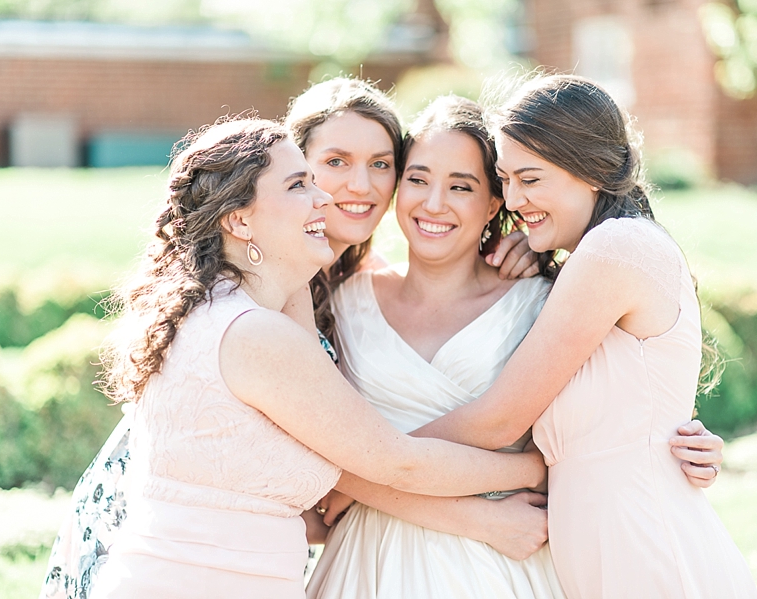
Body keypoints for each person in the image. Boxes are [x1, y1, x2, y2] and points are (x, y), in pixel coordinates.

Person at [39, 78, 539, 599]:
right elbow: (360, 454)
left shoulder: (350, 280)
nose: (357, 186)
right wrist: (498, 501)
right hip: (158, 528)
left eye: (381, 164)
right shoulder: (264, 297)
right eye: (333, 164)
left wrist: (519, 243)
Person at [306, 96, 727, 599]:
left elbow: (617, 400)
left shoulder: (548, 297)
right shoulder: (338, 298)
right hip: (366, 558)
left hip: (507, 559)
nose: (434, 203)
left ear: (492, 204)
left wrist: (669, 439)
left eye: (462, 186)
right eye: (417, 179)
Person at [414, 75, 757, 598]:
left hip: (647, 553)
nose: (512, 199)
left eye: (531, 179)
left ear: (591, 172)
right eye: (505, 179)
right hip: (609, 553)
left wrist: (372, 462)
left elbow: (499, 419)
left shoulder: (616, 248)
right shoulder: (595, 257)